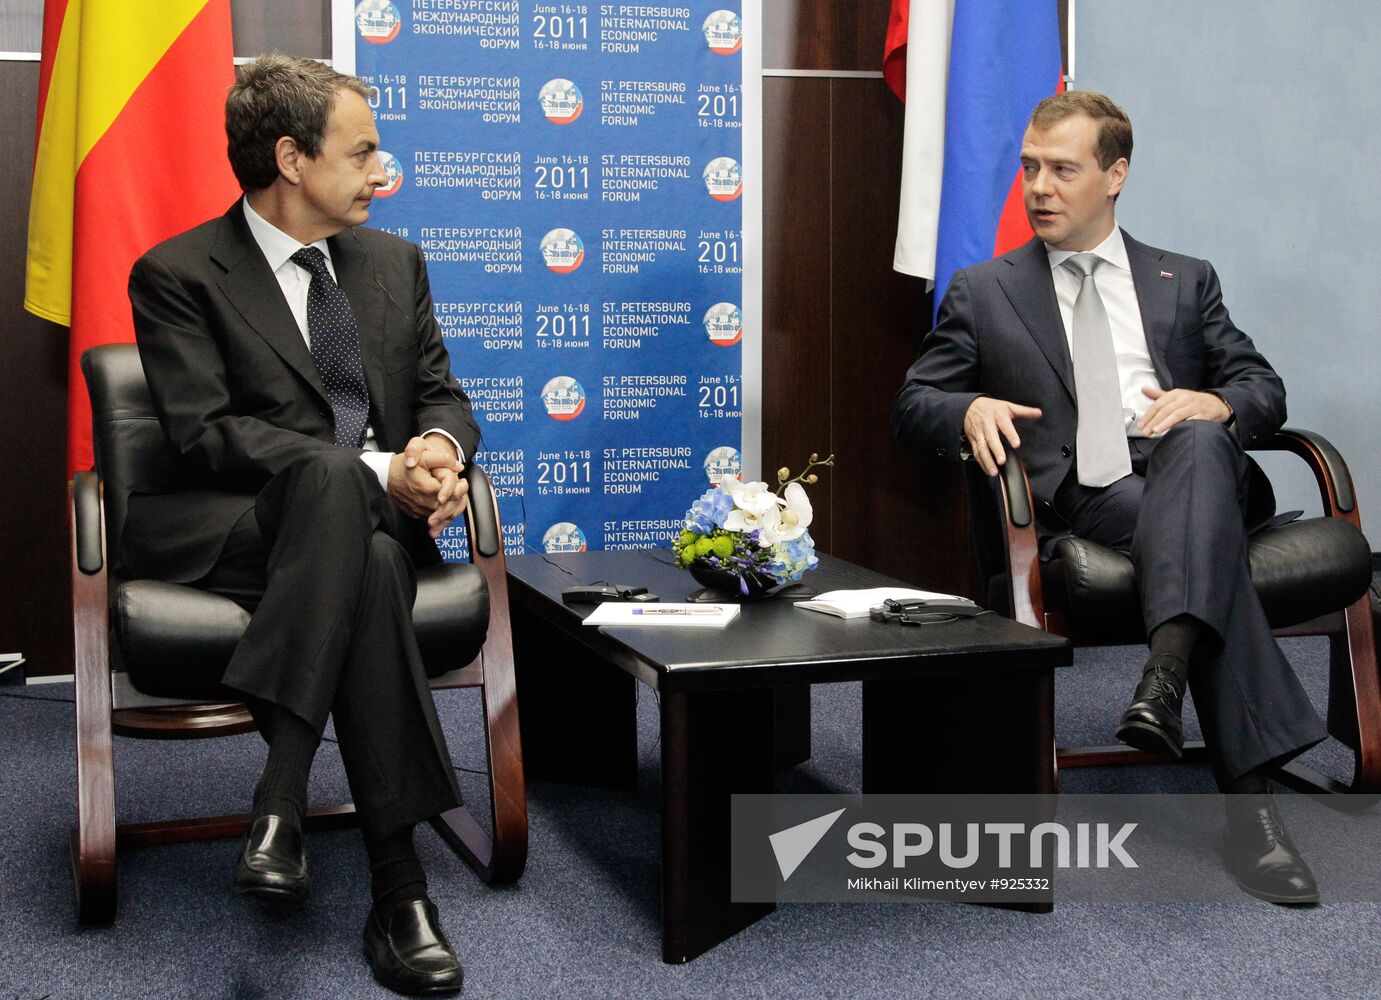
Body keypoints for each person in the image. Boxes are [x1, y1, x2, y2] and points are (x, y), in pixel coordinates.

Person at [892, 91, 1325, 904]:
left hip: (1192, 477)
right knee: (1206, 547)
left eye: (1062, 170)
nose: (1038, 189)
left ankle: (1162, 676)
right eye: (1029, 169)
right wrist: (967, 406)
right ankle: (1252, 812)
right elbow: (913, 405)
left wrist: (1221, 404)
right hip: (1086, 500)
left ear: (1115, 174)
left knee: (1195, 437)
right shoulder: (983, 291)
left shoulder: (1182, 279)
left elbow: (1260, 384)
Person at [124, 54, 477, 994]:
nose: (380, 172)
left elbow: (440, 392)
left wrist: (437, 450)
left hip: (360, 541)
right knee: (333, 484)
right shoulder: (177, 272)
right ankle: (401, 896)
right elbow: (204, 435)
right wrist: (373, 468)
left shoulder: (395, 264)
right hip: (236, 530)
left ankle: (280, 804)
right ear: (290, 157)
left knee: (364, 553)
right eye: (362, 153)